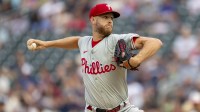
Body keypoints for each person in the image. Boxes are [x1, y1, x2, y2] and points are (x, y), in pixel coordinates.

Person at [27, 3, 162, 112]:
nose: (110, 21)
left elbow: (155, 42)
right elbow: (75, 41)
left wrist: (136, 60)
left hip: (122, 109)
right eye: (105, 17)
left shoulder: (116, 40)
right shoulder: (84, 42)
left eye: (111, 18)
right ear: (93, 19)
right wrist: (47, 44)